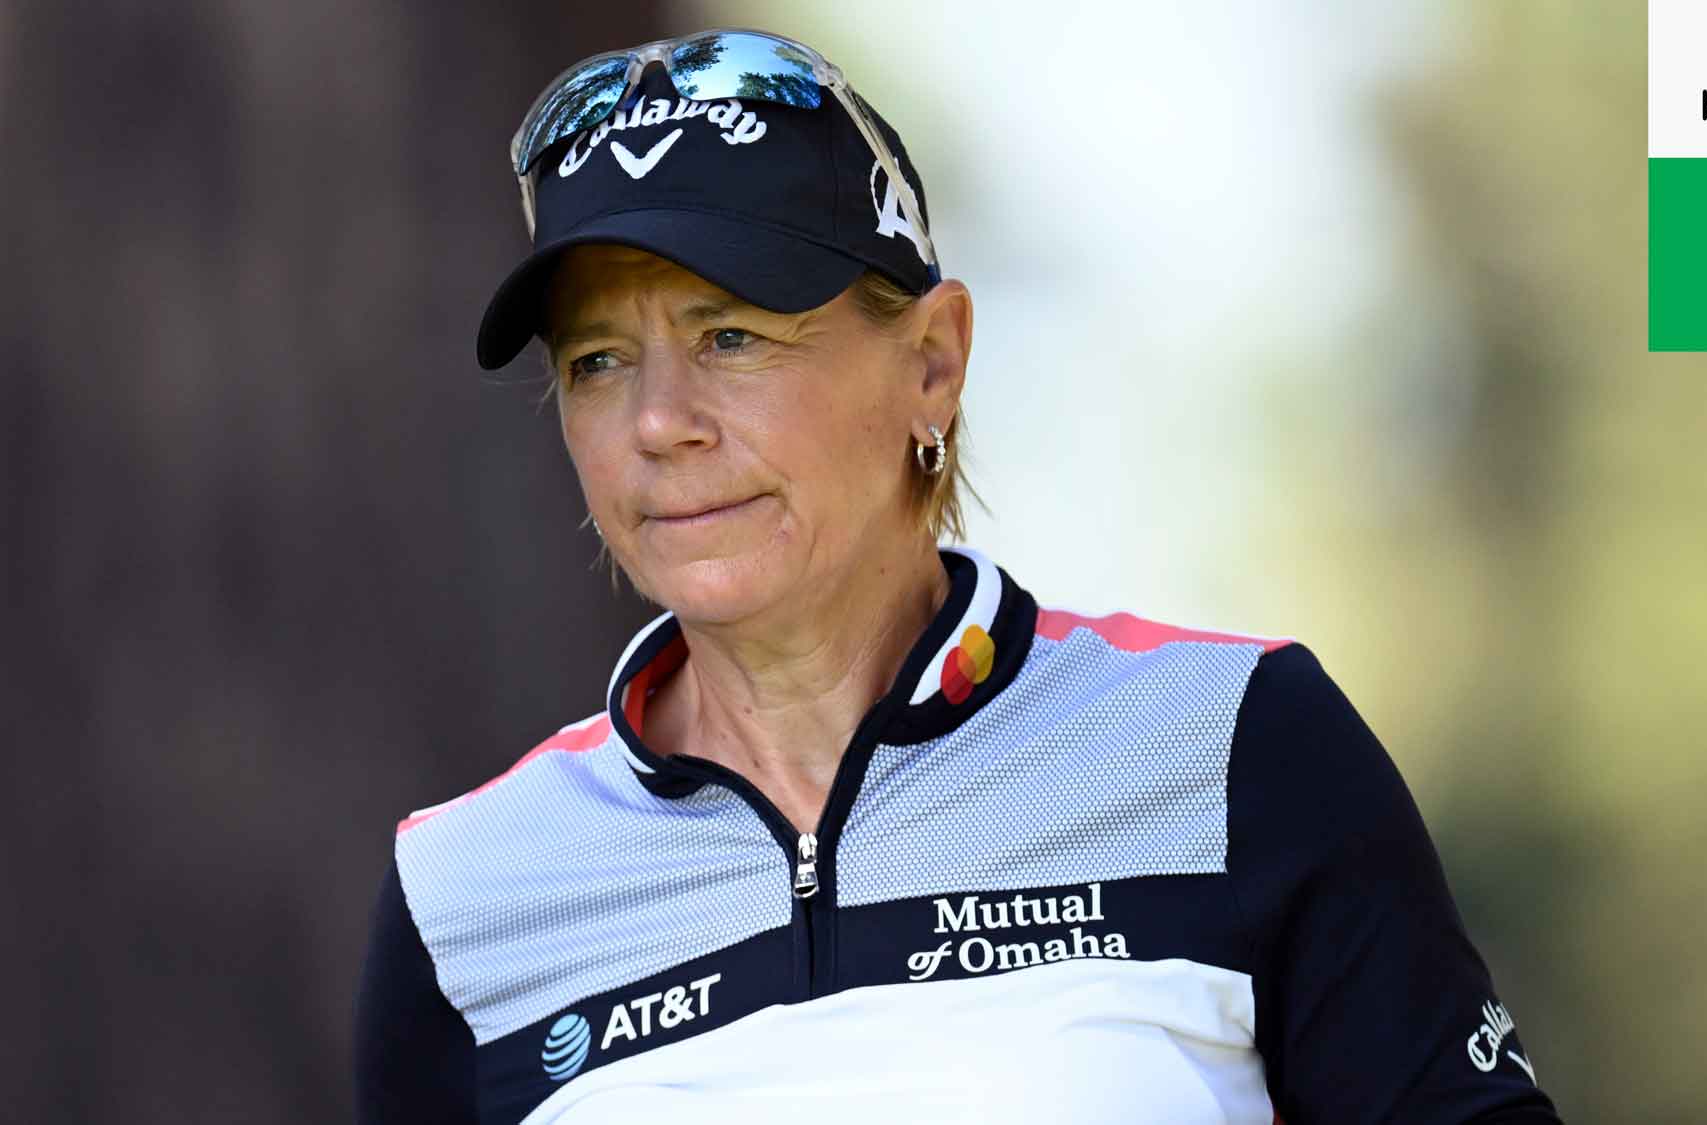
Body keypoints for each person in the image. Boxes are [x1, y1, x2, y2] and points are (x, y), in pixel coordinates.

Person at [352, 28, 1562, 1125]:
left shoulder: (1228, 746)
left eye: (730, 336)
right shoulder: (464, 895)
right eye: (598, 362)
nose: (660, 421)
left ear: (933, 363)